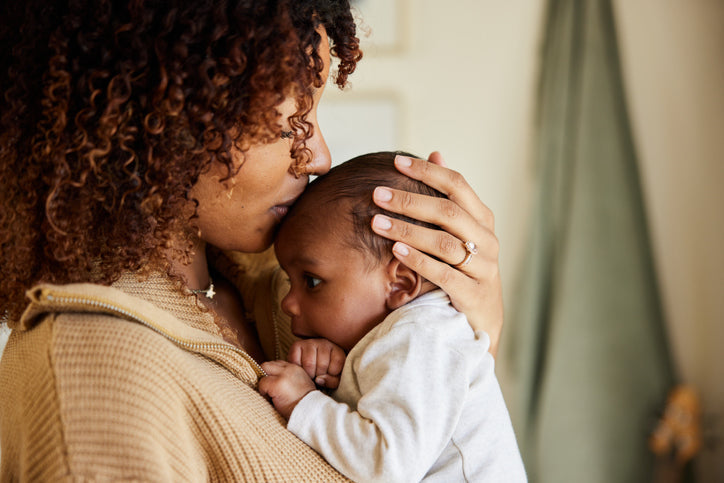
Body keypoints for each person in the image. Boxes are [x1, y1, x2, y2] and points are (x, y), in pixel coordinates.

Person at [0, 1, 506, 480]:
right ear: (163, 113)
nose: (318, 156)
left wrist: (466, 333)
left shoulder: (284, 282)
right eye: (289, 123)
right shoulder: (93, 379)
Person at [260, 152, 527, 482]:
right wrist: (342, 379)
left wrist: (305, 403)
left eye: (311, 281)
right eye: (289, 280)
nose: (288, 303)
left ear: (400, 282)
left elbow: (387, 466)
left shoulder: (420, 336)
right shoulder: (412, 334)